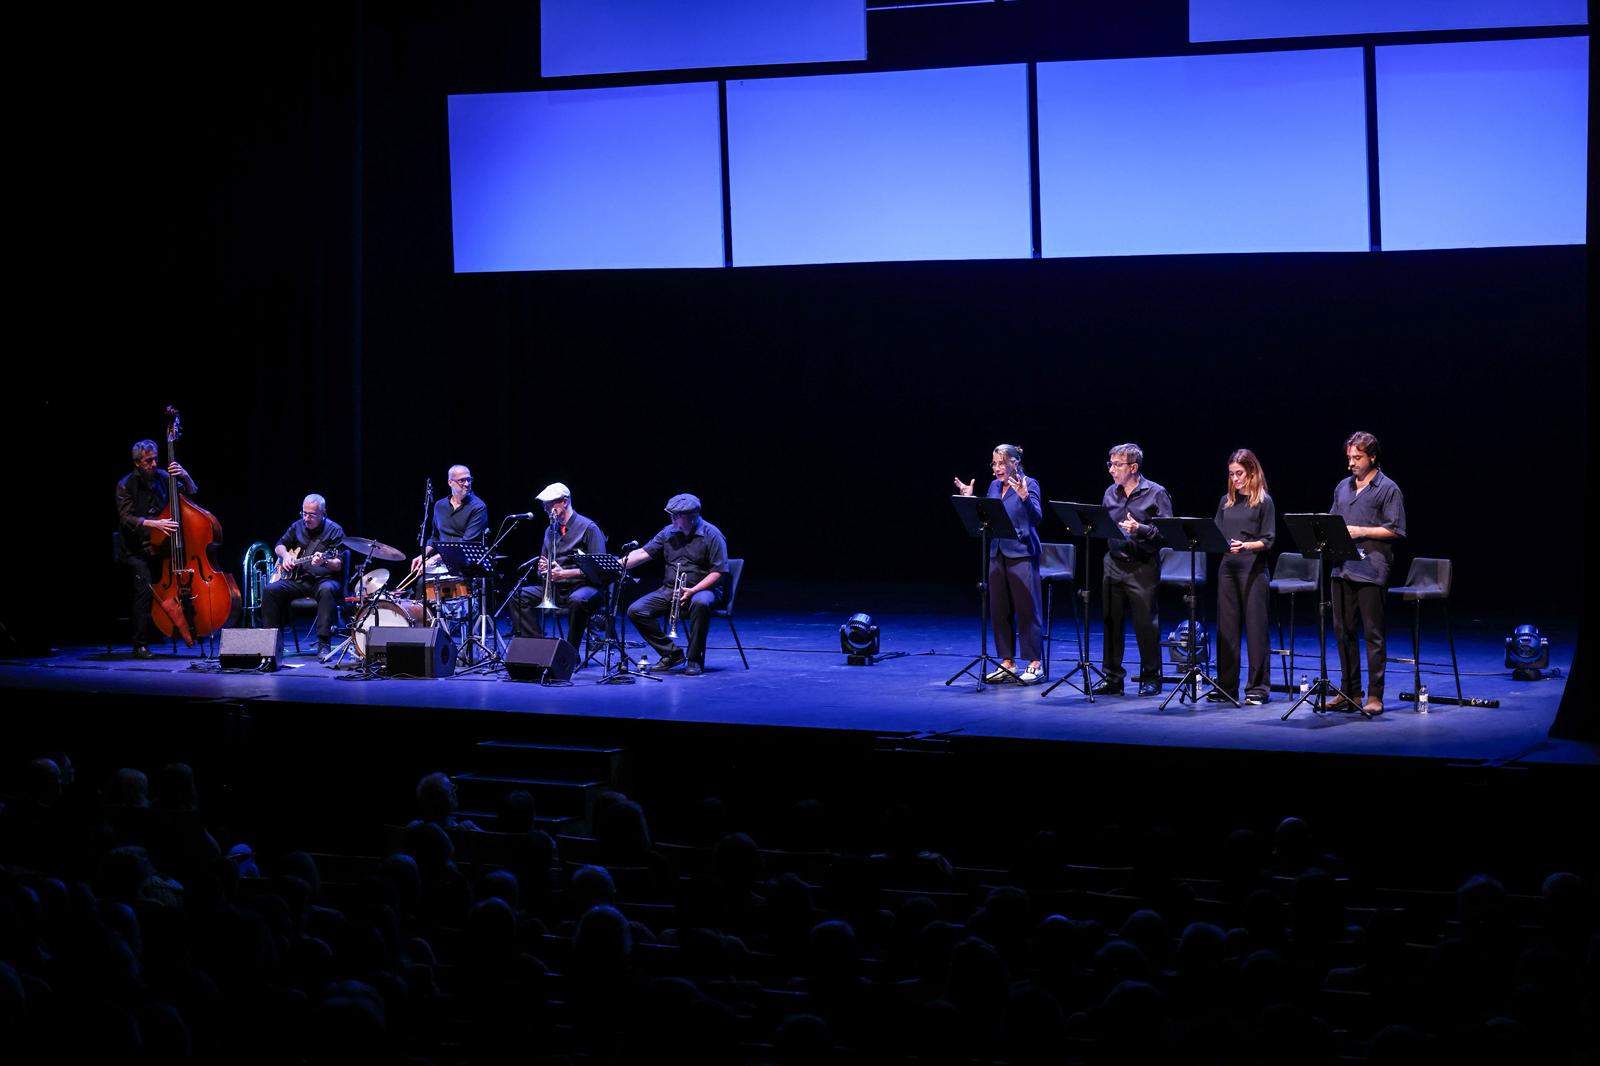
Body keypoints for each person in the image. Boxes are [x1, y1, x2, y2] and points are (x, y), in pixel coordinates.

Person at [1329, 431, 1406, 715]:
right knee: (1343, 632)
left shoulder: (1388, 489)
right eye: (1349, 457)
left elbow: (1396, 529)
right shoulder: (1343, 487)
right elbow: (1333, 521)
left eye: (1358, 457)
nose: (1351, 463)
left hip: (1371, 569)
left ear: (1372, 457)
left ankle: (1375, 696)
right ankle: (1350, 692)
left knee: (1373, 634)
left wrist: (1362, 531)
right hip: (1342, 568)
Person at [954, 444, 1044, 684]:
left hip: (1022, 552)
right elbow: (987, 516)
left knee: (1027, 609)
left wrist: (1024, 497)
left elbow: (1036, 518)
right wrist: (970, 499)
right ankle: (1008, 662)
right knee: (999, 609)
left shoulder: (1030, 483)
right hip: (997, 552)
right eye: (994, 464)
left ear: (1014, 463)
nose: (997, 469)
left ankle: (1035, 663)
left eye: (1001, 463)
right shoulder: (994, 486)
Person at [620, 494, 729, 676]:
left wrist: (693, 590)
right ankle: (672, 654)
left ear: (692, 517)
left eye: (677, 516)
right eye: (671, 515)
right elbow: (642, 554)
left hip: (703, 589)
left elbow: (718, 572)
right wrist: (616, 564)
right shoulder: (668, 532)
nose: (672, 519)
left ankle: (694, 659)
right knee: (636, 610)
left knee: (701, 603)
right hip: (671, 589)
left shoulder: (712, 535)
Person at [1095, 443, 1172, 697]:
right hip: (1113, 563)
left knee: (1145, 625)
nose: (1112, 470)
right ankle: (1112, 678)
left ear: (1134, 467)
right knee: (1111, 622)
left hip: (1142, 566)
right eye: (1111, 464)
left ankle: (1151, 677)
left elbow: (1167, 534)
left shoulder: (1156, 493)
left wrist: (1141, 529)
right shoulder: (1110, 493)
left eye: (1117, 465)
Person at [115, 439, 199, 658]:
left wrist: (185, 475)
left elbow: (191, 492)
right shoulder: (125, 485)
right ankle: (139, 644)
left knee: (181, 583)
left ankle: (185, 629)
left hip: (161, 549)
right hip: (136, 551)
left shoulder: (164, 477)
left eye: (155, 459)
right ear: (137, 463)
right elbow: (126, 519)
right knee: (143, 588)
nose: (153, 464)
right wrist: (154, 523)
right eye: (148, 460)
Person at [1209, 449, 1276, 706]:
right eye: (1231, 474)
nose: (1235, 479)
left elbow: (1268, 540)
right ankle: (1227, 685)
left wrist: (1246, 546)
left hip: (1253, 569)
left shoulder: (1263, 502)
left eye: (1239, 474)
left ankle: (1258, 688)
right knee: (1226, 629)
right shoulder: (1226, 502)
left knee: (1256, 629)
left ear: (1251, 472)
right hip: (1228, 568)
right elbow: (1215, 532)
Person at [510, 482, 607, 646]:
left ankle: (569, 651)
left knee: (578, 600)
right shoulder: (550, 530)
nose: (545, 508)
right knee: (518, 596)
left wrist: (565, 574)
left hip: (584, 587)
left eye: (550, 503)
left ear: (564, 501)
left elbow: (600, 569)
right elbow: (544, 562)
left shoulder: (589, 528)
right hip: (556, 588)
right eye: (544, 504)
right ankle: (538, 647)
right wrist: (543, 569)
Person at [262, 494, 346, 658]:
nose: (306, 518)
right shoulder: (297, 526)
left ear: (323, 513)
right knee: (270, 590)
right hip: (299, 580)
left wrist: (324, 562)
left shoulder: (335, 530)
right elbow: (279, 546)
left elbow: (338, 563)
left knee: (327, 589)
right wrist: (286, 556)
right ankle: (271, 644)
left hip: (324, 580)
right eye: (304, 513)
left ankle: (323, 644)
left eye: (311, 515)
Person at [411, 464, 489, 572]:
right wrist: (423, 556)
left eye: (469, 480)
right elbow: (435, 537)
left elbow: (466, 544)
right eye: (462, 481)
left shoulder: (478, 507)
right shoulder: (439, 506)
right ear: (450, 482)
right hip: (443, 562)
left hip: (465, 564)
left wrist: (434, 559)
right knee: (420, 582)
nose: (467, 484)